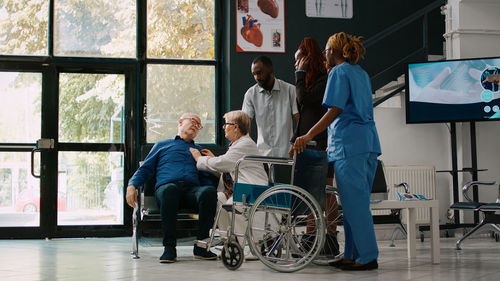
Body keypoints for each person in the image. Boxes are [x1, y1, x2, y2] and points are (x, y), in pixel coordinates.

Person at [293, 32, 381, 271]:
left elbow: (335, 109)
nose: (324, 54)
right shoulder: (361, 73)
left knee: (354, 205)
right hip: (368, 144)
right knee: (356, 203)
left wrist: (309, 134)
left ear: (333, 52)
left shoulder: (339, 73)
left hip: (349, 145)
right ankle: (352, 254)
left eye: (326, 50)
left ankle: (368, 256)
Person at [125, 113, 218, 263]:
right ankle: (169, 248)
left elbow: (206, 177)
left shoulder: (200, 151)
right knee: (170, 190)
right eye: (193, 121)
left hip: (190, 192)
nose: (196, 125)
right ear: (180, 122)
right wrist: (132, 185)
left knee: (208, 191)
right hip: (167, 190)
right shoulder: (162, 145)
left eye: (198, 125)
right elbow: (146, 169)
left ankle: (201, 247)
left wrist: (209, 161)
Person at [190, 110, 267, 258]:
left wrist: (199, 158)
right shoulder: (237, 144)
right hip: (243, 188)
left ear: (236, 127)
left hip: (252, 188)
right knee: (218, 199)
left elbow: (223, 163)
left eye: (226, 124)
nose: (224, 127)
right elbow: (226, 165)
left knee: (229, 205)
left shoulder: (244, 144)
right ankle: (230, 241)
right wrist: (215, 159)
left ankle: (250, 244)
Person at [291, 37, 340, 257]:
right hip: (307, 141)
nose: (295, 65)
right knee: (311, 191)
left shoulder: (324, 78)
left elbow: (304, 100)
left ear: (307, 59)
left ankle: (330, 237)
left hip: (321, 142)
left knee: (326, 190)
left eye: (298, 61)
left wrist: (299, 76)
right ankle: (311, 238)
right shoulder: (315, 80)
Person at [242, 55, 299, 158]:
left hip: (287, 153)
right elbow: (246, 124)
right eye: (254, 74)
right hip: (261, 154)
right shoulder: (250, 94)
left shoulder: (290, 90)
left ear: (271, 70)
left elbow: (299, 119)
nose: (257, 78)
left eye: (259, 73)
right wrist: (248, 149)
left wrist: (295, 143)